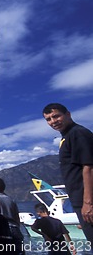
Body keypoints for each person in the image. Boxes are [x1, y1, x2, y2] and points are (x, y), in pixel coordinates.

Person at [42, 103, 93, 242]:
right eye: (48, 119)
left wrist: (88, 203)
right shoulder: (67, 137)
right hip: (79, 201)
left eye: (56, 116)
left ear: (68, 114)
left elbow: (89, 167)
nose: (53, 121)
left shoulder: (77, 133)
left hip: (86, 200)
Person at [0, 176, 25, 254]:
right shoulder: (11, 200)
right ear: (4, 187)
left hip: (1, 230)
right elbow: (17, 217)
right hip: (15, 229)